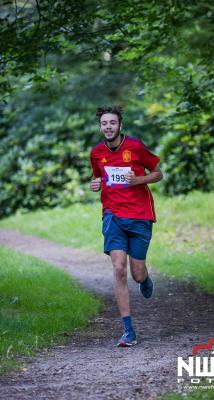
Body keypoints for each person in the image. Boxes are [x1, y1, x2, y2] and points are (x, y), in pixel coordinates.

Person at [89, 106, 163, 347]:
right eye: (104, 123)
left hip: (140, 215)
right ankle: (128, 330)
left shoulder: (136, 147)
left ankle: (145, 278)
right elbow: (99, 177)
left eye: (112, 123)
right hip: (113, 216)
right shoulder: (97, 153)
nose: (108, 127)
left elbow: (158, 173)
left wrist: (138, 179)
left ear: (120, 126)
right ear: (100, 127)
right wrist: (96, 184)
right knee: (119, 269)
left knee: (136, 273)